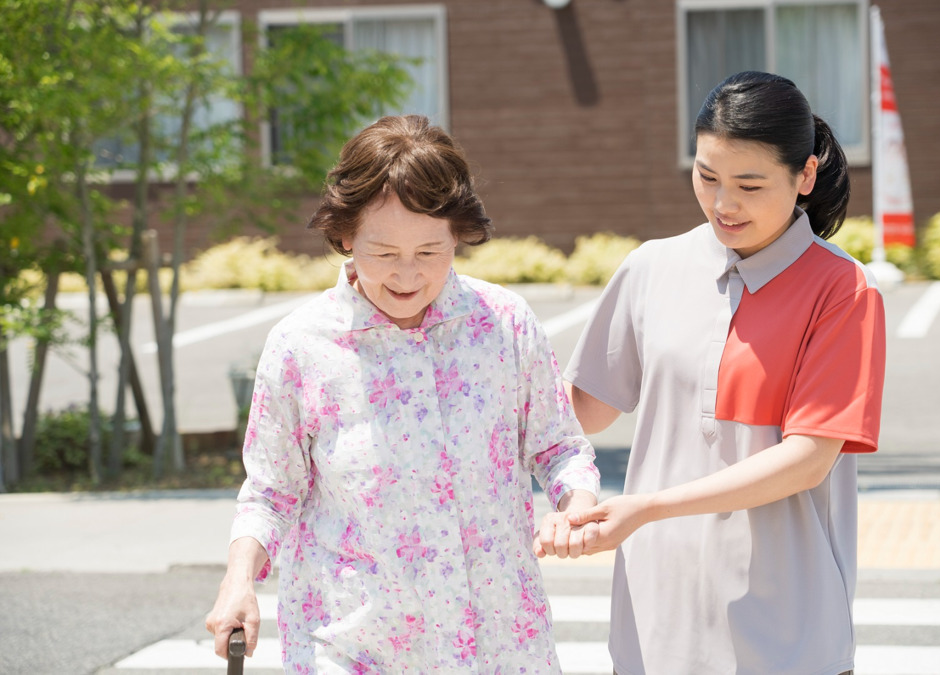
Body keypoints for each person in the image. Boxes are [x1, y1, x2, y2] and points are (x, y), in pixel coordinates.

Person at [205, 114, 600, 673]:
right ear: (344, 235)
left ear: (457, 236)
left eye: (431, 252)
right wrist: (238, 581)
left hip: (500, 640)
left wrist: (575, 508)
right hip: (356, 643)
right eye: (385, 253)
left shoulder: (504, 323)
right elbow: (271, 491)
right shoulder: (301, 347)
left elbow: (557, 446)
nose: (408, 275)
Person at [554, 71, 886, 675]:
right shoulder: (651, 268)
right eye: (707, 177)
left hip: (788, 635)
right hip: (655, 623)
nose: (723, 205)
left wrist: (647, 506)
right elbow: (577, 413)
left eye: (749, 185)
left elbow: (808, 458)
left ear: (805, 175)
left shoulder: (842, 291)